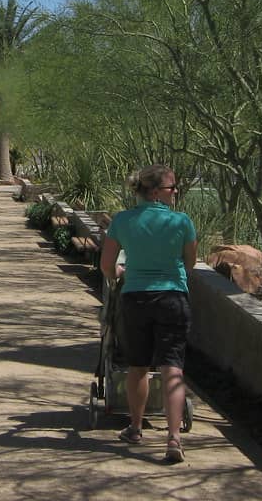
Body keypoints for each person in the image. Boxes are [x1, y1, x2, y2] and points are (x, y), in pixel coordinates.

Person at [100, 164, 197, 464]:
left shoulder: (122, 221)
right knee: (173, 369)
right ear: (155, 192)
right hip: (173, 299)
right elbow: (190, 263)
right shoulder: (182, 222)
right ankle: (173, 438)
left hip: (136, 300)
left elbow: (107, 265)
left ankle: (136, 427)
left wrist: (119, 272)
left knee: (138, 366)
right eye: (172, 188)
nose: (176, 192)